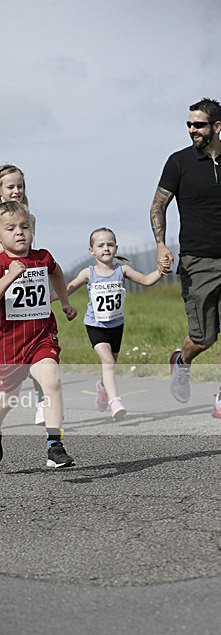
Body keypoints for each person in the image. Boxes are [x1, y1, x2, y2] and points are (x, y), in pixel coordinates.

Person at [0, 201, 77, 468]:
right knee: (8, 399)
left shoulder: (42, 257)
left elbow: (56, 271)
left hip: (42, 335)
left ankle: (54, 446)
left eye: (25, 226)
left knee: (52, 380)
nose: (20, 232)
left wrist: (65, 301)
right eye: (11, 228)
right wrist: (9, 277)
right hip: (10, 344)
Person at [150, 97, 221, 419]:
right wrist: (161, 244)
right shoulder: (178, 162)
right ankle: (183, 360)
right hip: (198, 260)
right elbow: (158, 205)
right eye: (189, 124)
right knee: (203, 336)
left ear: (217, 127)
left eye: (199, 124)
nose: (192, 129)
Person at [66, 228, 166, 421]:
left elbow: (146, 280)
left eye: (110, 244)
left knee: (111, 365)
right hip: (95, 325)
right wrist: (51, 299)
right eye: (101, 245)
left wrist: (161, 272)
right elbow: (68, 288)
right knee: (108, 362)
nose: (106, 248)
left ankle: (103, 388)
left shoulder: (122, 270)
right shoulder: (89, 273)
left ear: (116, 247)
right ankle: (115, 402)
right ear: (91, 250)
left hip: (116, 325)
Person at [0, 164, 44, 424]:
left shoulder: (29, 216)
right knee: (13, 343)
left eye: (20, 186)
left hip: (27, 282)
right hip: (2, 284)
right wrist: (5, 249)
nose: (17, 191)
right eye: (11, 186)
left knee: (40, 340)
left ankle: (42, 399)